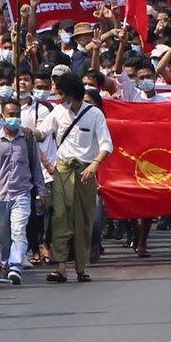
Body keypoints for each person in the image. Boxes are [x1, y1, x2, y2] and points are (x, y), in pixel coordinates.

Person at [29, 71, 112, 283]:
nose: (57, 96)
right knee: (60, 218)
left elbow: (106, 145)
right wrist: (26, 131)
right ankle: (61, 267)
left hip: (85, 171)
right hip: (63, 170)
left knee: (83, 220)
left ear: (71, 93)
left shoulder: (94, 115)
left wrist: (95, 165)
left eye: (61, 93)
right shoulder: (58, 112)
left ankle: (81, 268)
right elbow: (41, 133)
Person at [0, 99, 47, 285]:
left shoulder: (27, 138)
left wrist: (41, 192)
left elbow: (36, 167)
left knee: (18, 230)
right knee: (3, 235)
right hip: (0, 194)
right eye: (11, 115)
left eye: (17, 114)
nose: (14, 118)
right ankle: (6, 265)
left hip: (22, 193)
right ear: (2, 117)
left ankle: (16, 265)